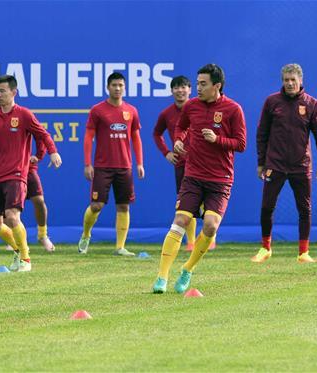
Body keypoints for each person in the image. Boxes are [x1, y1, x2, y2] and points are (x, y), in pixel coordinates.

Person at [152, 63, 246, 294]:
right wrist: (178, 140)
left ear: (217, 86)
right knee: (181, 220)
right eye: (197, 84)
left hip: (220, 179)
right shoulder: (192, 106)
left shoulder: (234, 109)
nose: (198, 89)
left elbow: (241, 144)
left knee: (211, 227)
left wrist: (217, 140)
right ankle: (161, 277)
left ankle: (187, 268)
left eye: (203, 84)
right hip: (193, 175)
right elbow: (181, 127)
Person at [0, 75, 61, 272]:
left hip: (17, 174)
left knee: (12, 216)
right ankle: (18, 249)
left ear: (13, 92)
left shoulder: (23, 114)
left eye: (2, 91)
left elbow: (43, 134)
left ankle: (26, 259)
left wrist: (52, 152)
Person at [253, 63, 317, 264]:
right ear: (282, 81)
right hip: (274, 164)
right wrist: (261, 163)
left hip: (301, 166)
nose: (290, 83)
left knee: (305, 209)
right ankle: (265, 248)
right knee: (267, 207)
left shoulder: (311, 104)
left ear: (301, 81)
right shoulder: (272, 102)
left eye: (293, 79)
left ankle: (303, 252)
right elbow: (262, 134)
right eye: (286, 80)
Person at [78, 72, 144, 256]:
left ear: (125, 87)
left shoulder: (131, 111)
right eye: (114, 85)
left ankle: (120, 247)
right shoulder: (98, 110)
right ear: (108, 87)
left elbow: (136, 138)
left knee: (123, 206)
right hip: (102, 167)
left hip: (125, 167)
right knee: (96, 205)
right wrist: (87, 164)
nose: (117, 88)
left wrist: (139, 163)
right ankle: (86, 234)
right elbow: (88, 137)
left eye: (121, 85)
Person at [152, 75, 202, 251]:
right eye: (176, 87)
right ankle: (191, 242)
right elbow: (156, 134)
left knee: (207, 202)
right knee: (187, 203)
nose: (180, 90)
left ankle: (210, 236)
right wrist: (166, 152)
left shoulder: (199, 108)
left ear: (190, 89)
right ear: (171, 91)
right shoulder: (166, 114)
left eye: (184, 87)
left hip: (203, 163)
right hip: (182, 164)